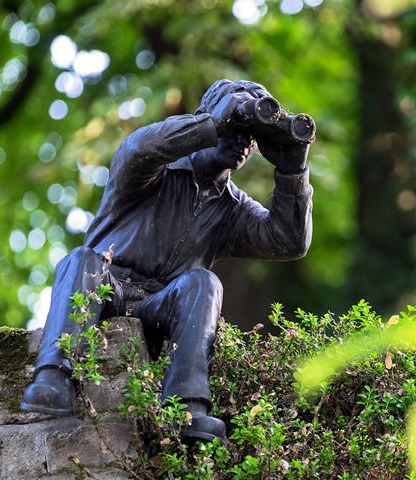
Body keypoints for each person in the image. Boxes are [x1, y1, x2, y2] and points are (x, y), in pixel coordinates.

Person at [20, 80, 313, 442]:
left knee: (203, 282)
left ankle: (186, 408)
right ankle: (53, 375)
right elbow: (138, 148)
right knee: (81, 260)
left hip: (158, 306)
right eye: (238, 129)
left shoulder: (232, 207)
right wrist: (209, 125)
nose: (243, 143)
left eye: (253, 137)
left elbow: (287, 241)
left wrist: (292, 171)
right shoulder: (154, 167)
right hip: (103, 285)